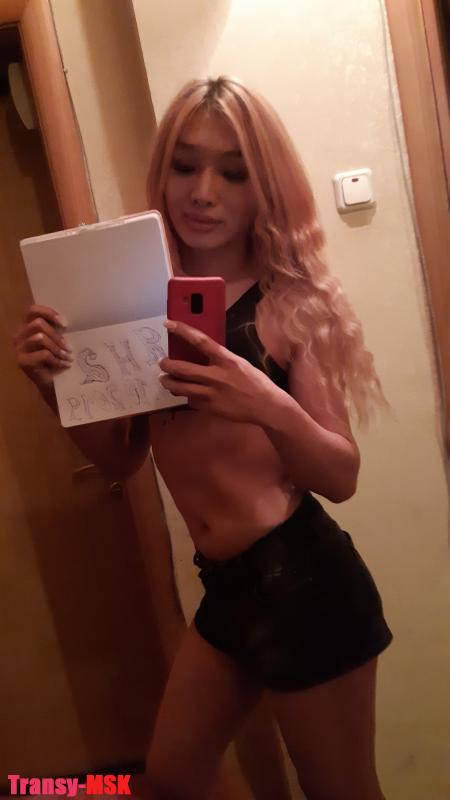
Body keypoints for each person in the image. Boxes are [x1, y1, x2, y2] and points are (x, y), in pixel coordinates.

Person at [14, 76, 393, 800]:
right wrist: (53, 386)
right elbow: (121, 458)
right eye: (185, 165)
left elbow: (341, 476)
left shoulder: (289, 304)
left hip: (304, 582)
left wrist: (265, 402)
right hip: (227, 589)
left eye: (234, 172)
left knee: (340, 791)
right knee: (171, 780)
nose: (204, 192)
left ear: (264, 187)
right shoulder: (144, 304)